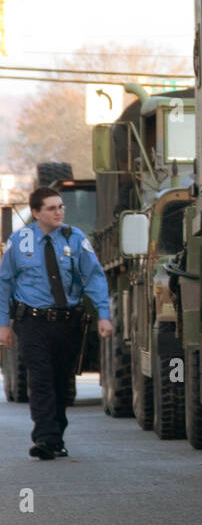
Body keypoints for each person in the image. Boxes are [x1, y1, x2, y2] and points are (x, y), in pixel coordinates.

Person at [0, 187, 112, 459]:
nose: (59, 212)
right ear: (36, 213)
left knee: (62, 383)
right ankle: (46, 439)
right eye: (51, 208)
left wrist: (104, 314)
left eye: (60, 206)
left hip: (67, 321)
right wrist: (3, 324)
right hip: (32, 322)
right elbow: (5, 282)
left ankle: (56, 436)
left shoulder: (75, 238)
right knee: (40, 379)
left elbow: (94, 276)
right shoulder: (20, 241)